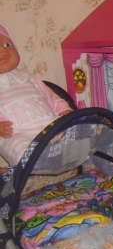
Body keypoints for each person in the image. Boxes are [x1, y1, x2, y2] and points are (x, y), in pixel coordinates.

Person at [0, 24, 72, 168]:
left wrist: (63, 109)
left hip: (50, 126)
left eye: (7, 44)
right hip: (17, 134)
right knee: (18, 147)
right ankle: (35, 167)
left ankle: (69, 154)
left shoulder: (29, 78)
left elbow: (51, 96)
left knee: (73, 131)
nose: (2, 49)